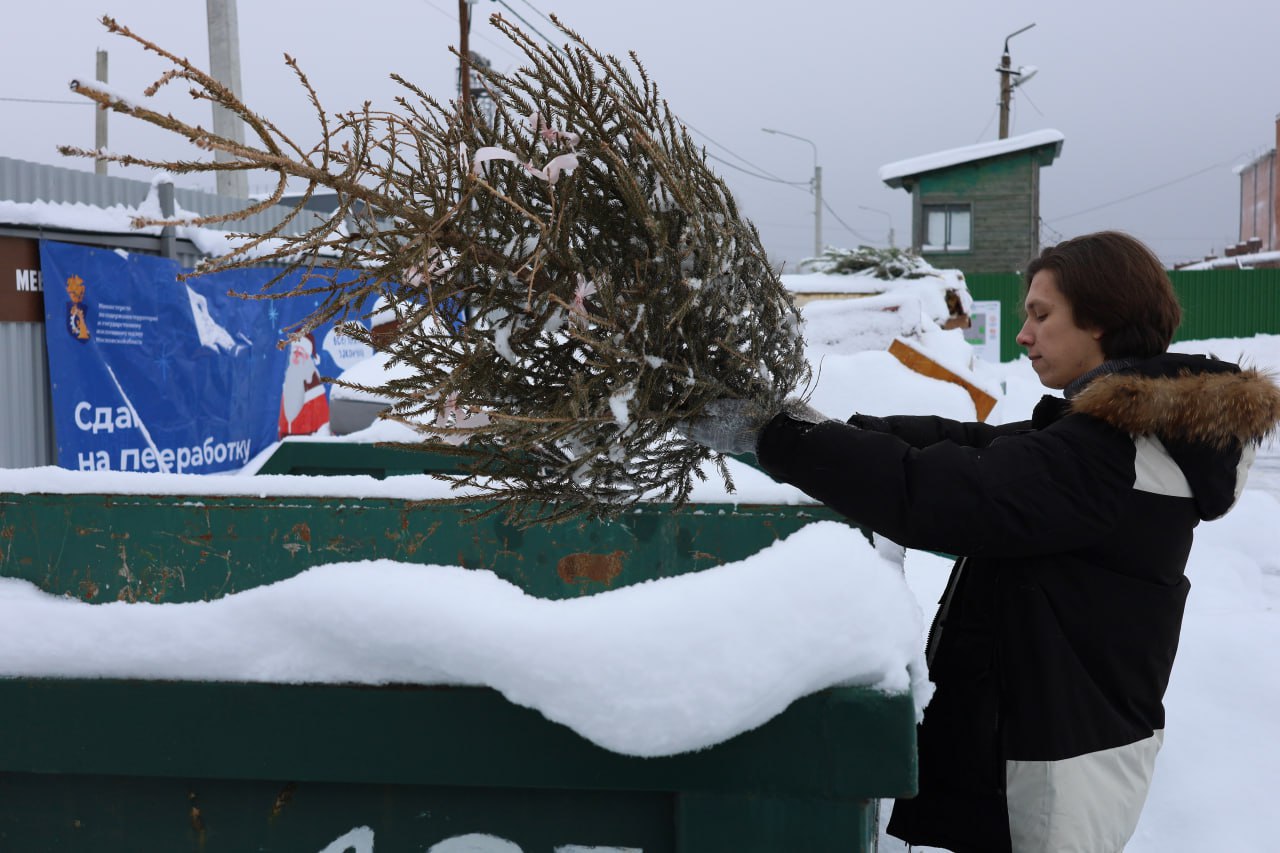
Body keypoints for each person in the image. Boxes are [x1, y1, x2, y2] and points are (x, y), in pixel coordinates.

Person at [681, 231, 1280, 852]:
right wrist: (819, 428)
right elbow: (977, 447)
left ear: (1100, 321)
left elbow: (939, 494)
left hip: (1050, 773)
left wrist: (774, 438)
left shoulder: (1106, 458)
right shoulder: (1127, 440)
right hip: (1063, 742)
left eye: (1041, 315)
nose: (1024, 334)